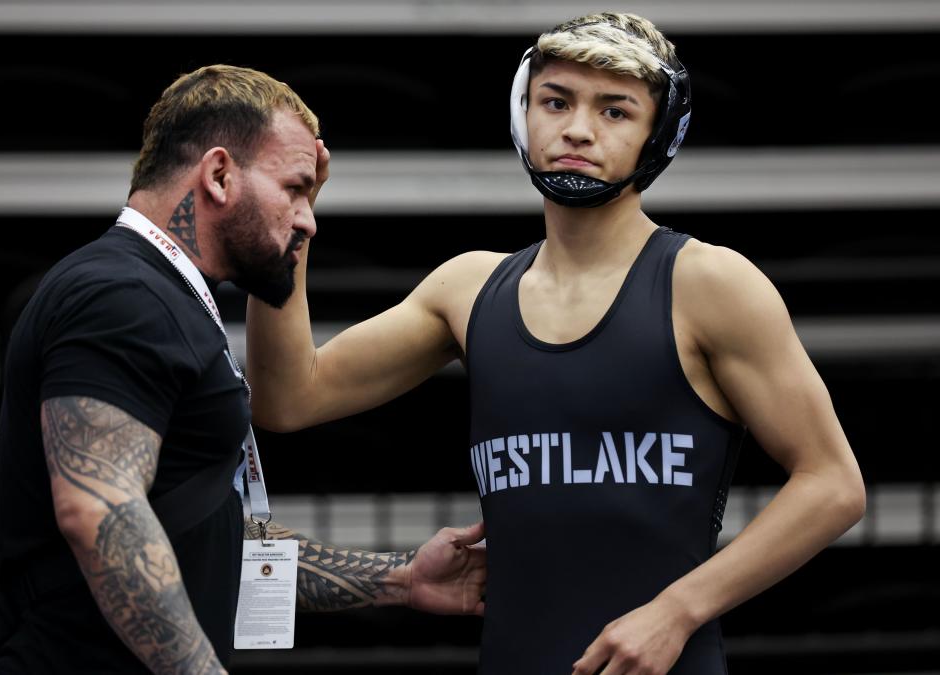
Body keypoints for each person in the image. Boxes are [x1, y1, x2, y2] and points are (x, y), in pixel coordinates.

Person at [247, 12, 868, 675]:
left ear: (658, 134)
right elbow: (288, 398)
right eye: (556, 101)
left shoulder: (708, 284)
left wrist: (678, 608)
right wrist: (281, 228)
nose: (577, 128)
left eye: (615, 111)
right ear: (524, 114)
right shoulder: (467, 288)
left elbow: (834, 484)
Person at [0, 64, 486, 674]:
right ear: (219, 175)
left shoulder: (160, 296)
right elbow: (101, 513)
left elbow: (198, 541)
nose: (309, 220)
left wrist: (401, 579)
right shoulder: (121, 296)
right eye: (296, 188)